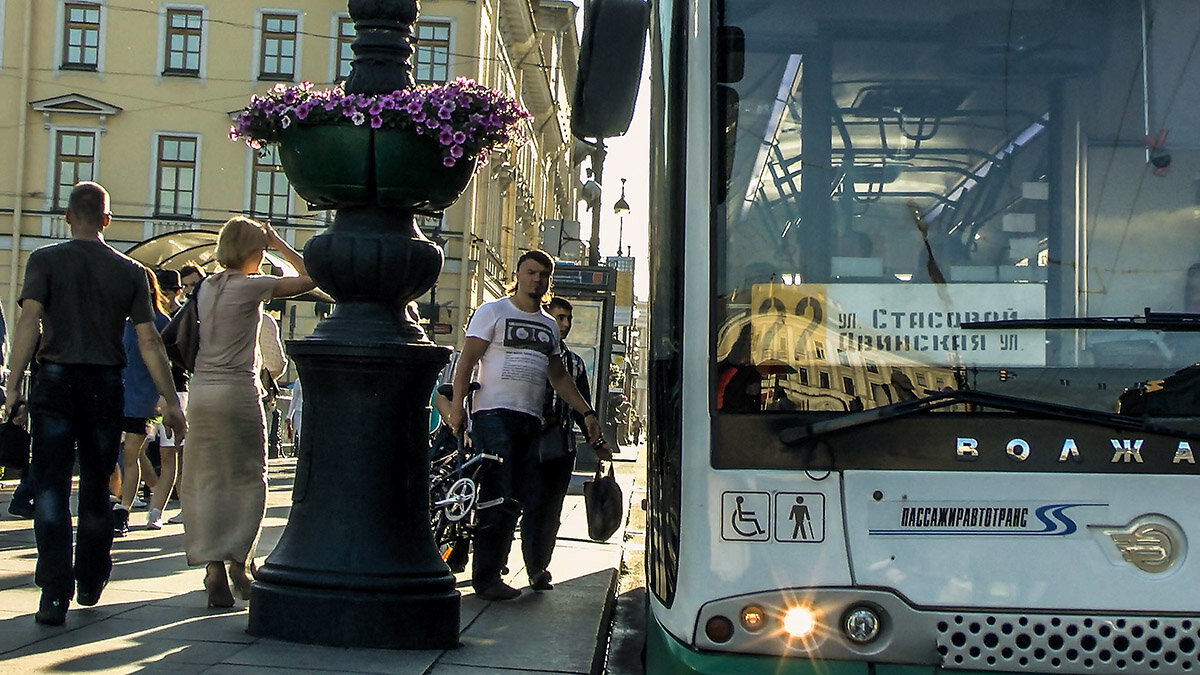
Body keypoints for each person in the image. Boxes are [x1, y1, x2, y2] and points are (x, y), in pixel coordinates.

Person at [3, 181, 186, 625]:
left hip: (55, 382)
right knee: (99, 487)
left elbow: (28, 323)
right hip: (106, 385)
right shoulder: (130, 272)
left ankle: (53, 591)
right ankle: (90, 577)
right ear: (107, 219)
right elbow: (148, 341)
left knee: (50, 486)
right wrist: (170, 400)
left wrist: (13, 387)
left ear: (68, 216)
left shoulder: (44, 260)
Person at [446, 250, 603, 602]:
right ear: (518, 274)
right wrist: (458, 408)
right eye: (530, 272)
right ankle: (485, 577)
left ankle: (495, 567)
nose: (536, 279)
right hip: (492, 414)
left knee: (516, 494)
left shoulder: (548, 325)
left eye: (543, 274)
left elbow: (559, 377)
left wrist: (587, 413)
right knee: (497, 493)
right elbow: (467, 361)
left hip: (529, 419)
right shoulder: (493, 312)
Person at [182, 216, 314, 608]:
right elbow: (310, 278)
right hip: (237, 391)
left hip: (201, 392)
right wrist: (278, 244)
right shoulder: (251, 286)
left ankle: (212, 568)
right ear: (254, 251)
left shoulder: (206, 286)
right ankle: (239, 564)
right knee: (246, 479)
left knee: (205, 480)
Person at [526, 296, 603, 592]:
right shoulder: (529, 355)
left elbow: (582, 408)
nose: (565, 325)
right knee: (524, 504)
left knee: (550, 510)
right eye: (560, 318)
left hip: (560, 445)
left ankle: (538, 568)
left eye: (568, 319)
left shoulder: (573, 363)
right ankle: (506, 561)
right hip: (528, 441)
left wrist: (597, 443)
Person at [112, 270, 172, 535]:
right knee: (121, 453)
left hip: (146, 398)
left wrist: (164, 396)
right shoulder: (121, 322)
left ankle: (123, 509)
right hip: (118, 394)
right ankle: (134, 498)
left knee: (131, 454)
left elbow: (167, 361)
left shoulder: (161, 321)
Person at [145, 269, 187, 529]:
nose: (161, 296)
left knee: (171, 455)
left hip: (176, 392)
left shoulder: (177, 318)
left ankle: (156, 510)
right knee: (165, 455)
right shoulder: (152, 318)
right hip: (157, 392)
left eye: (167, 291)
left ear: (176, 292)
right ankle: (177, 507)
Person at [166, 263, 206, 526]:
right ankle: (186, 503)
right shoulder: (180, 313)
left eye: (193, 285)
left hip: (192, 388)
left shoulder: (205, 309)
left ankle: (196, 505)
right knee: (180, 451)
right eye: (186, 286)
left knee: (190, 451)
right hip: (188, 388)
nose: (189, 291)